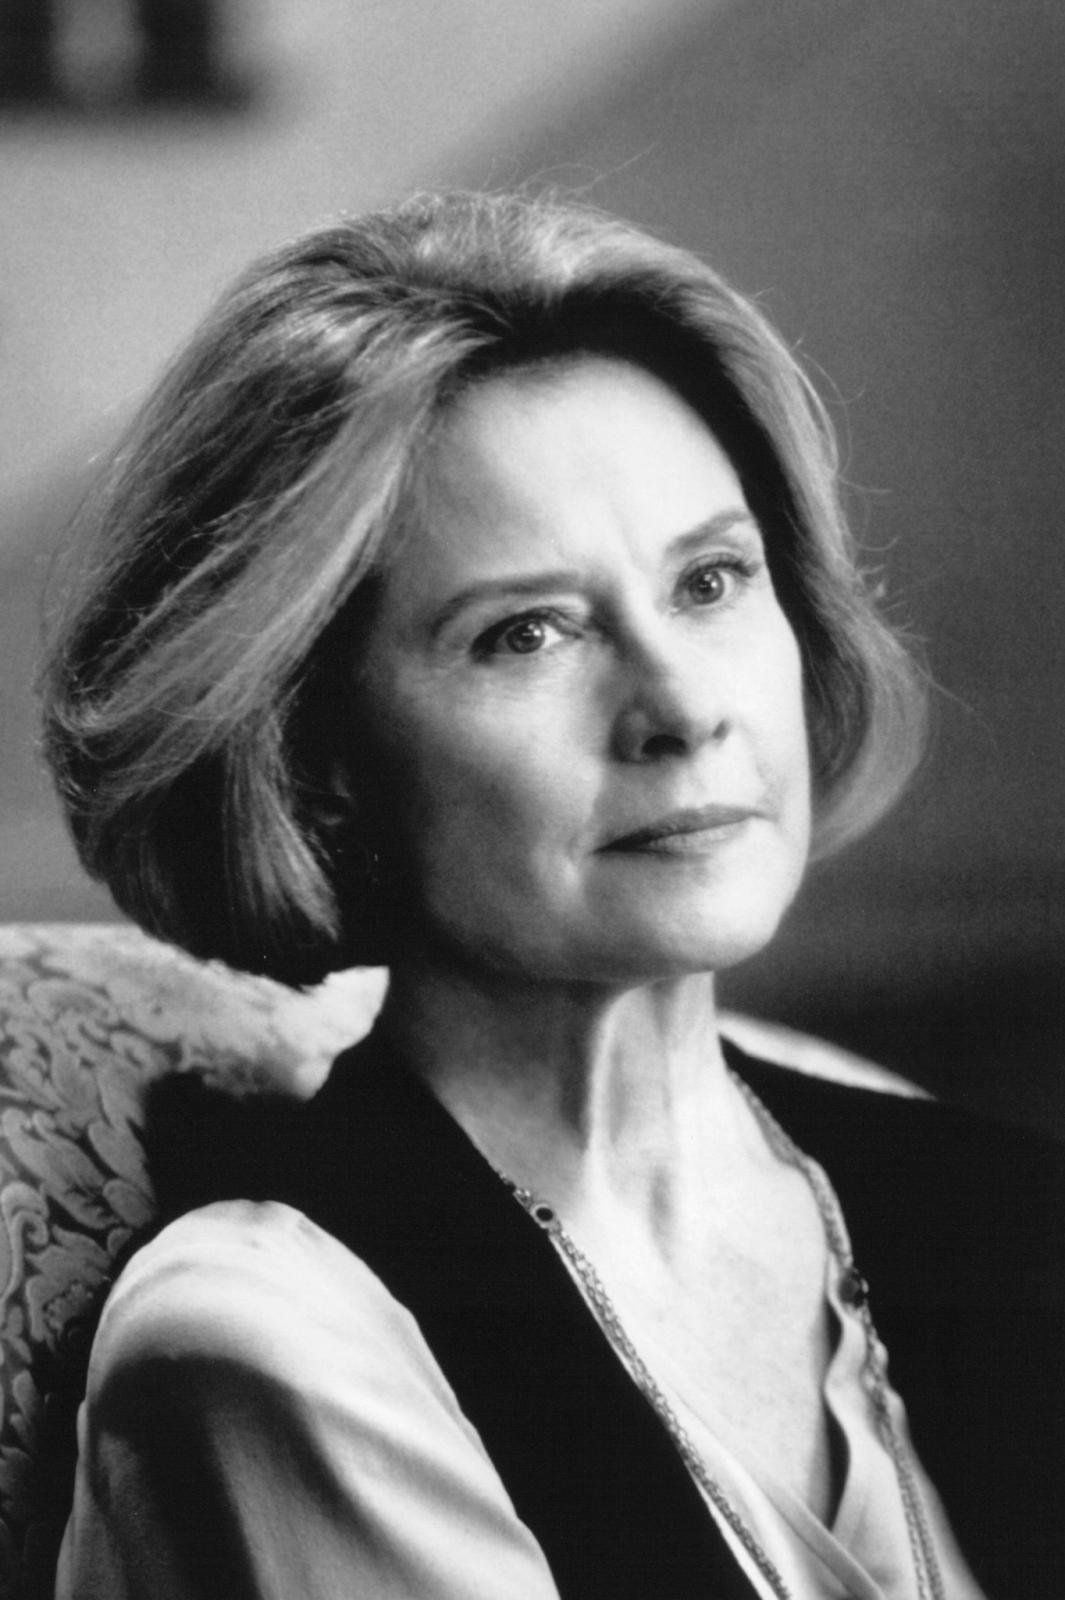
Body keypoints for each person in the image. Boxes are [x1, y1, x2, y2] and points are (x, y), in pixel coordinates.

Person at [42, 190, 1064, 1600]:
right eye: (526, 633)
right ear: (314, 755)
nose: (680, 709)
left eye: (711, 581)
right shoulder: (271, 1338)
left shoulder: (993, 1208)